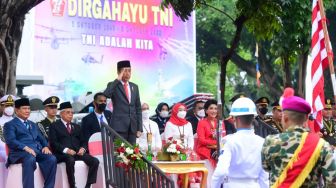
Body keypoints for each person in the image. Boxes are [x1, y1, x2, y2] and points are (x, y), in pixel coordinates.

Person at [262, 96, 336, 187]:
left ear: (285, 118)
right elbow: (332, 182)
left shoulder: (270, 142)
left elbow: (266, 167)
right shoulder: (321, 145)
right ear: (306, 119)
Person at [212, 97, 269, 188]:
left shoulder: (228, 141)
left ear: (235, 118)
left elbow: (221, 171)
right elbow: (264, 175)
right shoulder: (262, 142)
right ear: (253, 117)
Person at [4, 98, 56, 188]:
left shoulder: (33, 124)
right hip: (20, 152)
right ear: (17, 110)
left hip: (36, 151)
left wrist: (46, 146)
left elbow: (42, 138)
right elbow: (10, 140)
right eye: (24, 108)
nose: (27, 111)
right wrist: (25, 147)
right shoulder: (10, 124)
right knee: (30, 158)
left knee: (51, 159)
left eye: (28, 108)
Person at [49, 102, 99, 188]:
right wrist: (66, 150)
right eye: (68, 112)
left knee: (95, 161)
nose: (70, 115)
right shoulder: (54, 126)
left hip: (77, 153)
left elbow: (84, 141)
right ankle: (72, 185)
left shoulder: (77, 126)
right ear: (61, 114)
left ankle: (88, 185)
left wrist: (83, 148)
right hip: (62, 154)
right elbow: (53, 143)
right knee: (70, 159)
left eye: (72, 112)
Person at [103, 60, 142, 144]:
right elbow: (106, 94)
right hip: (118, 127)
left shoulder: (134, 87)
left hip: (132, 127)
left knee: (132, 155)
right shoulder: (113, 84)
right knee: (119, 154)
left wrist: (139, 128)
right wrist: (118, 79)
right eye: (125, 71)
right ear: (119, 72)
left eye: (129, 71)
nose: (127, 73)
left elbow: (138, 108)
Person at [196, 99, 218, 167]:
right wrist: (216, 142)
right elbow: (202, 141)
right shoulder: (202, 123)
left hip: (217, 149)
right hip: (205, 150)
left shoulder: (220, 122)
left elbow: (223, 138)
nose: (214, 111)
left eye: (215, 109)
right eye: (211, 108)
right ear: (206, 111)